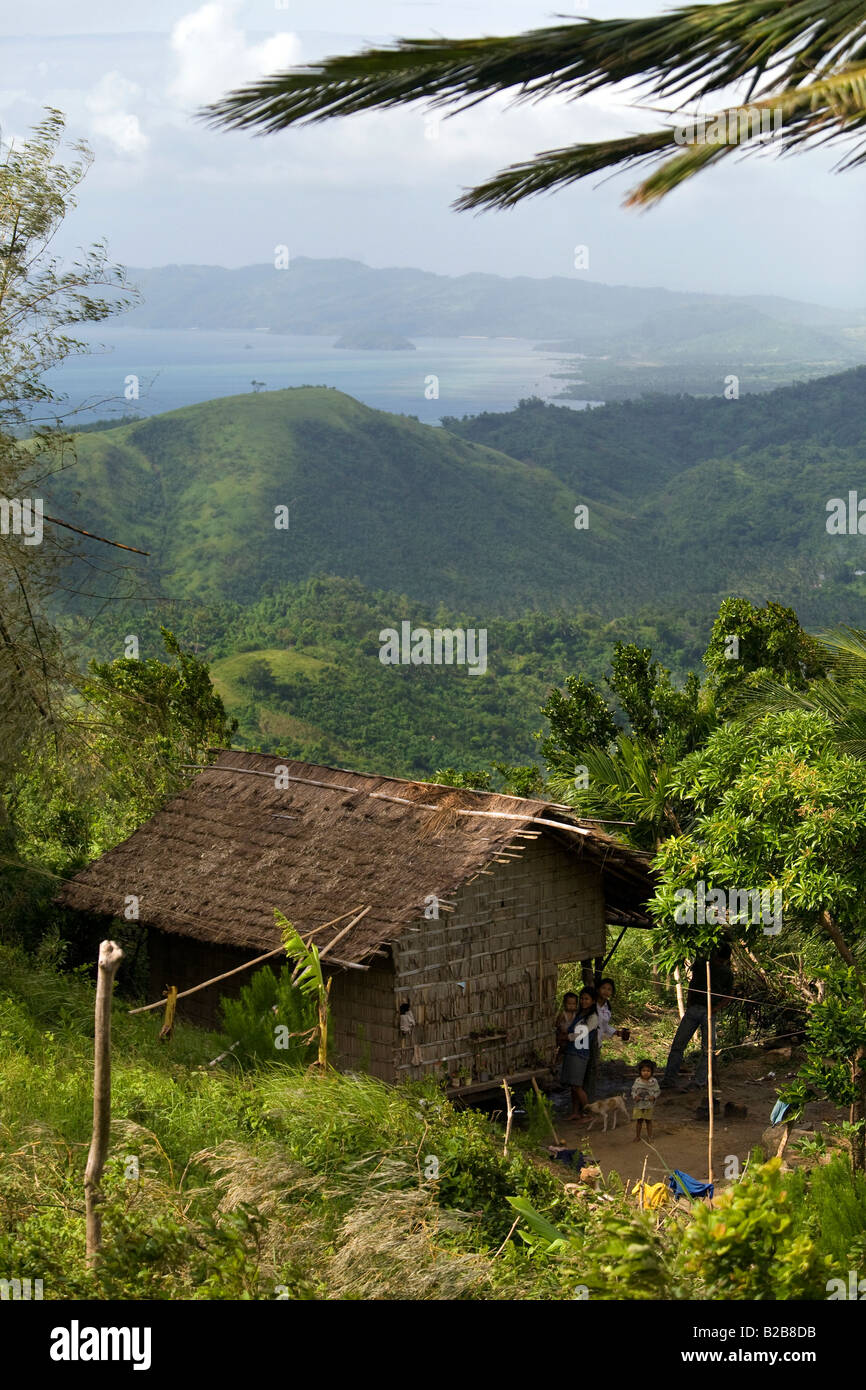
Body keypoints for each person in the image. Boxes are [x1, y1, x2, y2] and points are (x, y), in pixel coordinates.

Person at [661, 943, 734, 1091]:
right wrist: (689, 1003)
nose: (718, 963)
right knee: (678, 1044)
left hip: (709, 1012)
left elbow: (729, 995)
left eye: (721, 961)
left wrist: (715, 1009)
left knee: (708, 1049)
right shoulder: (701, 963)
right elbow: (693, 983)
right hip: (694, 1009)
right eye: (717, 960)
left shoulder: (727, 973)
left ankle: (699, 1082)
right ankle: (669, 1080)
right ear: (713, 956)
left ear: (726, 961)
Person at [560, 986, 599, 1120]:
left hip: (580, 1052)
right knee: (573, 1086)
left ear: (593, 1001)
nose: (583, 1001)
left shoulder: (593, 1017)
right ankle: (575, 1112)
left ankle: (589, 1113)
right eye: (582, 998)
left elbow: (582, 1033)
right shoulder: (579, 1014)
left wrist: (567, 1037)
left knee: (577, 1086)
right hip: (571, 1050)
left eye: (587, 999)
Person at [631, 1058, 660, 1141]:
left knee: (648, 1121)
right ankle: (637, 1136)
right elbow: (633, 1091)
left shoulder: (653, 1081)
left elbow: (657, 1091)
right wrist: (635, 1096)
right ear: (640, 1071)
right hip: (639, 1104)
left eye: (648, 1071)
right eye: (643, 1070)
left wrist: (653, 1096)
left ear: (651, 1072)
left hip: (648, 1105)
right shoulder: (637, 1081)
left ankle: (650, 1137)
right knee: (639, 1121)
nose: (646, 1073)